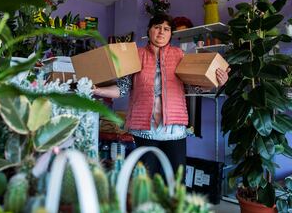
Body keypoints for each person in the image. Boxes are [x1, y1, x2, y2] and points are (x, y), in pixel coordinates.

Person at [93, 14, 229, 177]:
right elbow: (122, 88)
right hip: (145, 129)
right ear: (149, 31)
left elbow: (195, 87)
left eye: (166, 29)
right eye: (157, 27)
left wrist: (217, 82)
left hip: (174, 130)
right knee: (147, 179)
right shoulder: (135, 55)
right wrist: (97, 90)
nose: (161, 32)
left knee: (176, 180)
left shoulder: (180, 55)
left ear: (171, 33)